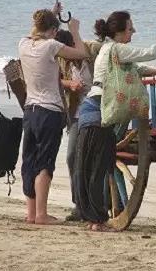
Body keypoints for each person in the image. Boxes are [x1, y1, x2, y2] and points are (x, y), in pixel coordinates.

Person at [76, 11, 156, 231]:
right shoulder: (116, 48)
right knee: (98, 168)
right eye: (131, 28)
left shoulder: (109, 50)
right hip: (99, 113)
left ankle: (92, 218)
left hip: (90, 110)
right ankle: (97, 221)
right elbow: (149, 53)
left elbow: (138, 69)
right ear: (120, 32)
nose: (134, 32)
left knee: (91, 167)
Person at [18, 6, 88, 225]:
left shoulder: (23, 44)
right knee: (45, 161)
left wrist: (52, 11)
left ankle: (31, 214)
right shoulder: (51, 46)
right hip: (50, 111)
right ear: (53, 30)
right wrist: (74, 30)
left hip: (30, 110)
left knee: (29, 160)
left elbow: (36, 30)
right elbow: (82, 53)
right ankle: (41, 214)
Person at [54, 29, 100, 222]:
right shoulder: (61, 60)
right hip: (75, 114)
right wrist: (69, 84)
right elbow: (54, 78)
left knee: (94, 159)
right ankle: (78, 205)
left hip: (97, 110)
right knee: (72, 156)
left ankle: (98, 203)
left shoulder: (92, 51)